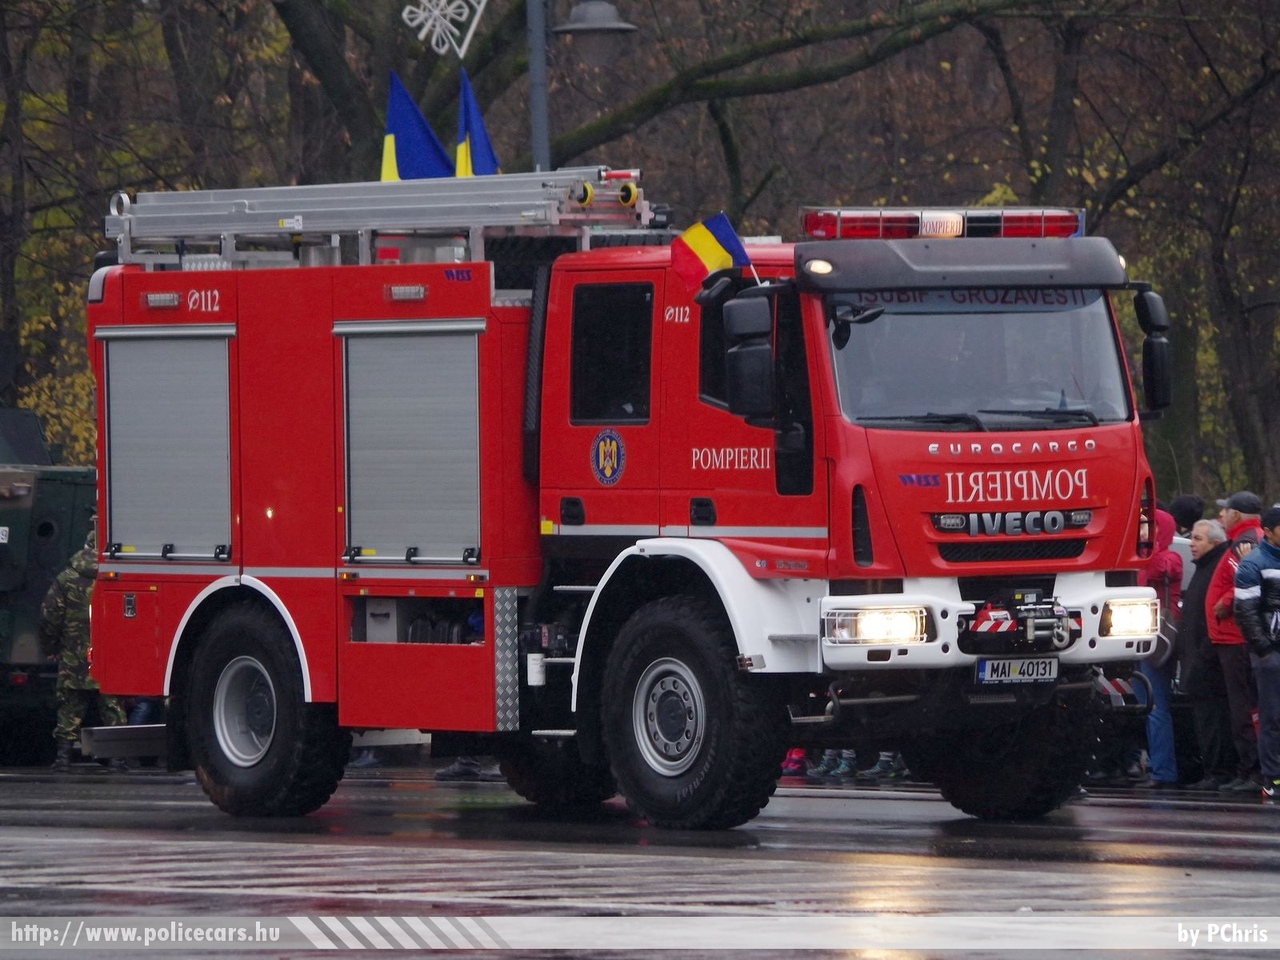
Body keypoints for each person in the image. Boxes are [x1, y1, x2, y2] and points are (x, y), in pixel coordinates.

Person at [39, 530, 126, 770]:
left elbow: (49, 615)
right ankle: (118, 758)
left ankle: (63, 758)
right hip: (109, 655)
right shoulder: (118, 576)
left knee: (70, 707)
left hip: (74, 655)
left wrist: (50, 646)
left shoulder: (66, 578)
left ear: (85, 547)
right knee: (112, 706)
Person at [1205, 491, 1265, 792]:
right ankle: (1249, 769)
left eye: (1226, 511)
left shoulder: (1245, 541)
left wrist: (1225, 602)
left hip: (1235, 637)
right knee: (1242, 705)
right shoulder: (1247, 537)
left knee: (1244, 707)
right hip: (1232, 636)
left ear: (1237, 515)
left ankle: (1252, 771)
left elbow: (1248, 578)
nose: (1222, 516)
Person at [1177, 520, 1238, 789]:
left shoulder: (1219, 565)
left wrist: (1202, 654)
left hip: (1209, 659)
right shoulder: (1204, 567)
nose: (1192, 543)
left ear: (1214, 542)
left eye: (1198, 539)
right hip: (1197, 656)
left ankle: (1221, 771)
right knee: (1205, 720)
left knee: (1215, 720)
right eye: (1192, 538)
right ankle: (1212, 769)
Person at [1233, 505, 1280, 799]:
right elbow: (1246, 612)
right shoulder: (1253, 564)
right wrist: (1264, 650)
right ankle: (1273, 779)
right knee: (1273, 718)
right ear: (1269, 530)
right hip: (1270, 652)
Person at [1134, 509, 1180, 788]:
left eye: (1144, 525)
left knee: (1157, 706)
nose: (1139, 530)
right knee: (1146, 705)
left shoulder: (1166, 557)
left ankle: (1164, 770)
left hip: (1156, 635)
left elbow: (1162, 568)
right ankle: (1155, 764)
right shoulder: (1149, 554)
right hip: (1139, 633)